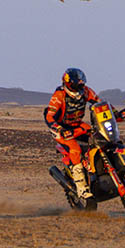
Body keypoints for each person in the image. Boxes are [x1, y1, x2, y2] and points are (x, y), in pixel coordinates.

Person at [45, 67, 99, 200]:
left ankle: (94, 171)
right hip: (62, 129)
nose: (80, 86)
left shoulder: (86, 91)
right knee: (75, 149)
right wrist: (58, 128)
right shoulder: (60, 95)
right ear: (69, 83)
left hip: (77, 125)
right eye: (77, 83)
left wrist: (114, 113)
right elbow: (49, 116)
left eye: (81, 83)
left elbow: (99, 102)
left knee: (99, 138)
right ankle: (82, 189)